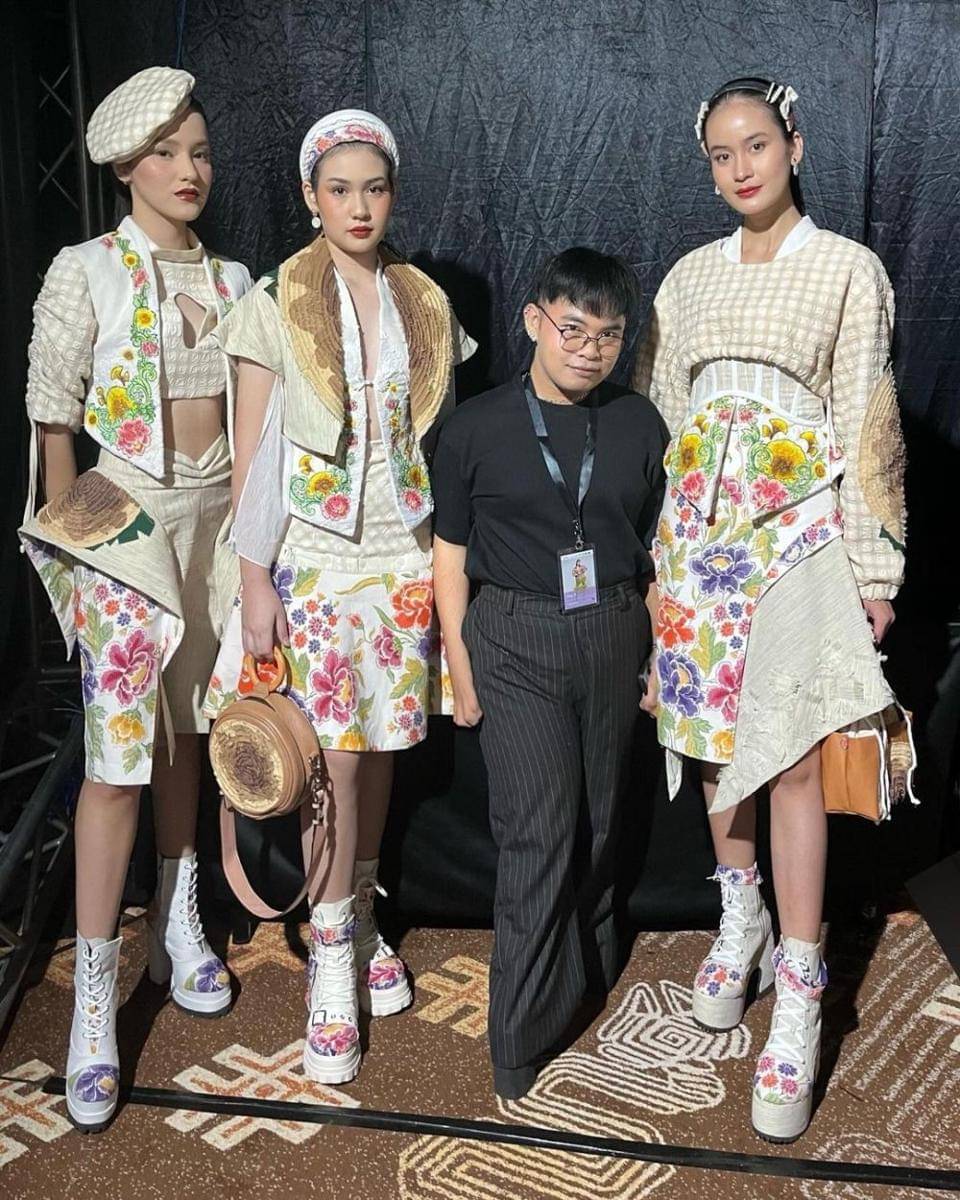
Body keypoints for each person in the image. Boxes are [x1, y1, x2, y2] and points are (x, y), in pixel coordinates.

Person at [635, 77, 910, 1143]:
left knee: (791, 755)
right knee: (713, 743)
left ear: (793, 143)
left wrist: (873, 573)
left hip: (799, 538)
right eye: (721, 153)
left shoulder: (847, 268)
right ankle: (738, 913)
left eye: (756, 144)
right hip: (699, 545)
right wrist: (660, 553)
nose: (740, 167)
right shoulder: (688, 277)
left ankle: (800, 981)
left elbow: (870, 419)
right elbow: (664, 418)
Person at [203, 109, 475, 1086]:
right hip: (314, 556)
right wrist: (254, 576)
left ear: (393, 192)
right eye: (340, 189)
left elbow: (434, 439)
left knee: (385, 745)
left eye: (376, 187)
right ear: (310, 196)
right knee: (334, 762)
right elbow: (252, 456)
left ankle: (359, 914)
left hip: (402, 554)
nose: (359, 207)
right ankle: (328, 955)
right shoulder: (276, 298)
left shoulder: (422, 298)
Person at [19, 67, 251, 1131]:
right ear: (125, 165)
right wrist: (78, 553)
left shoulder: (235, 277)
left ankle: (178, 917)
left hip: (217, 526)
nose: (188, 169)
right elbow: (54, 421)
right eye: (166, 153)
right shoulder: (87, 271)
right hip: (125, 519)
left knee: (190, 729)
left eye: (198, 151)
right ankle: (93, 998)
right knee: (118, 757)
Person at [432, 248, 669, 1099]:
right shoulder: (475, 427)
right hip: (513, 634)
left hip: (613, 627)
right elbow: (448, 555)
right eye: (573, 329)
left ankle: (587, 976)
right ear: (534, 320)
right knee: (540, 830)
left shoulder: (639, 423)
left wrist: (658, 655)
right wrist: (459, 666)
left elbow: (654, 551)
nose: (589, 350)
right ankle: (519, 1037)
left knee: (601, 823)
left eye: (607, 335)